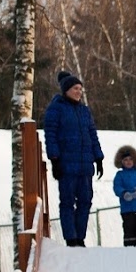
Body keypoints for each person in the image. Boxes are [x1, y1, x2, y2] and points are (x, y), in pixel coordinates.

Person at [43, 70, 105, 247]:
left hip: (85, 165)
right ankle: (70, 238)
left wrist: (98, 158)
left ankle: (80, 237)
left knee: (85, 201)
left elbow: (92, 135)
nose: (79, 92)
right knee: (68, 202)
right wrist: (54, 159)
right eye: (75, 88)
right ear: (66, 90)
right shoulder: (56, 109)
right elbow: (51, 135)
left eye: (80, 89)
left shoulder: (85, 111)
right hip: (67, 165)